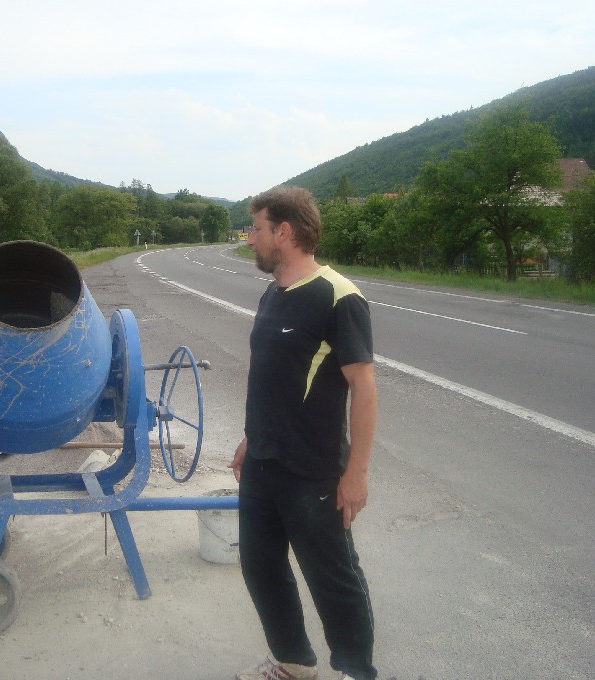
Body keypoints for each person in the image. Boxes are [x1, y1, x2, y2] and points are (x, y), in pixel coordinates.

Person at [230, 187, 379, 680]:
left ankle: (356, 671)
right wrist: (251, 437)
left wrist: (356, 473)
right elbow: (272, 375)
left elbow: (364, 388)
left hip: (312, 471)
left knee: (333, 578)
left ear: (284, 231)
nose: (250, 238)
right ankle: (293, 663)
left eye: (256, 229)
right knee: (261, 567)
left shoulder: (339, 296)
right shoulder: (273, 293)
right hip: (263, 462)